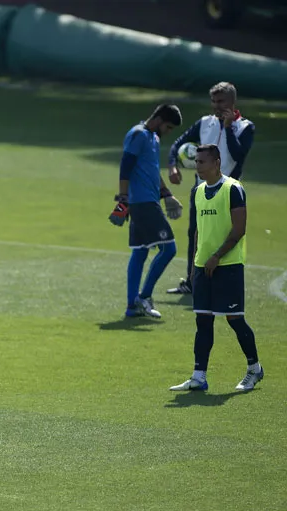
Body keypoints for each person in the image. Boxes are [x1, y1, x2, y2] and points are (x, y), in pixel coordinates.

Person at [170, 144, 263, 392]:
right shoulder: (198, 191)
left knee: (234, 319)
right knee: (203, 321)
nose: (196, 166)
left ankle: (254, 369)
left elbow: (239, 229)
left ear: (216, 163)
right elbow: (200, 230)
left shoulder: (233, 189)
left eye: (201, 162)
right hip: (203, 267)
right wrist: (195, 265)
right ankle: (199, 376)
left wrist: (217, 256)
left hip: (228, 265)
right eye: (196, 162)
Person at [166, 82, 255, 294]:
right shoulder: (204, 123)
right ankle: (192, 282)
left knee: (225, 236)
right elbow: (178, 143)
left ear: (232, 102)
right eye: (213, 101)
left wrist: (227, 127)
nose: (216, 106)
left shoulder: (245, 127)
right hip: (201, 191)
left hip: (228, 192)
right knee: (195, 234)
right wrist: (172, 166)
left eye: (221, 101)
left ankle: (222, 283)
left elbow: (238, 155)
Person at [109, 104, 184, 318]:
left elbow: (151, 171)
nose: (168, 132)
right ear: (159, 119)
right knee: (169, 249)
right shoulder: (138, 135)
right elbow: (126, 166)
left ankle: (132, 307)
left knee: (140, 251)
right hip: (143, 204)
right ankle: (144, 296)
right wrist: (123, 198)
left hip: (149, 201)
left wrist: (167, 194)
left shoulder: (153, 138)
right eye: (168, 127)